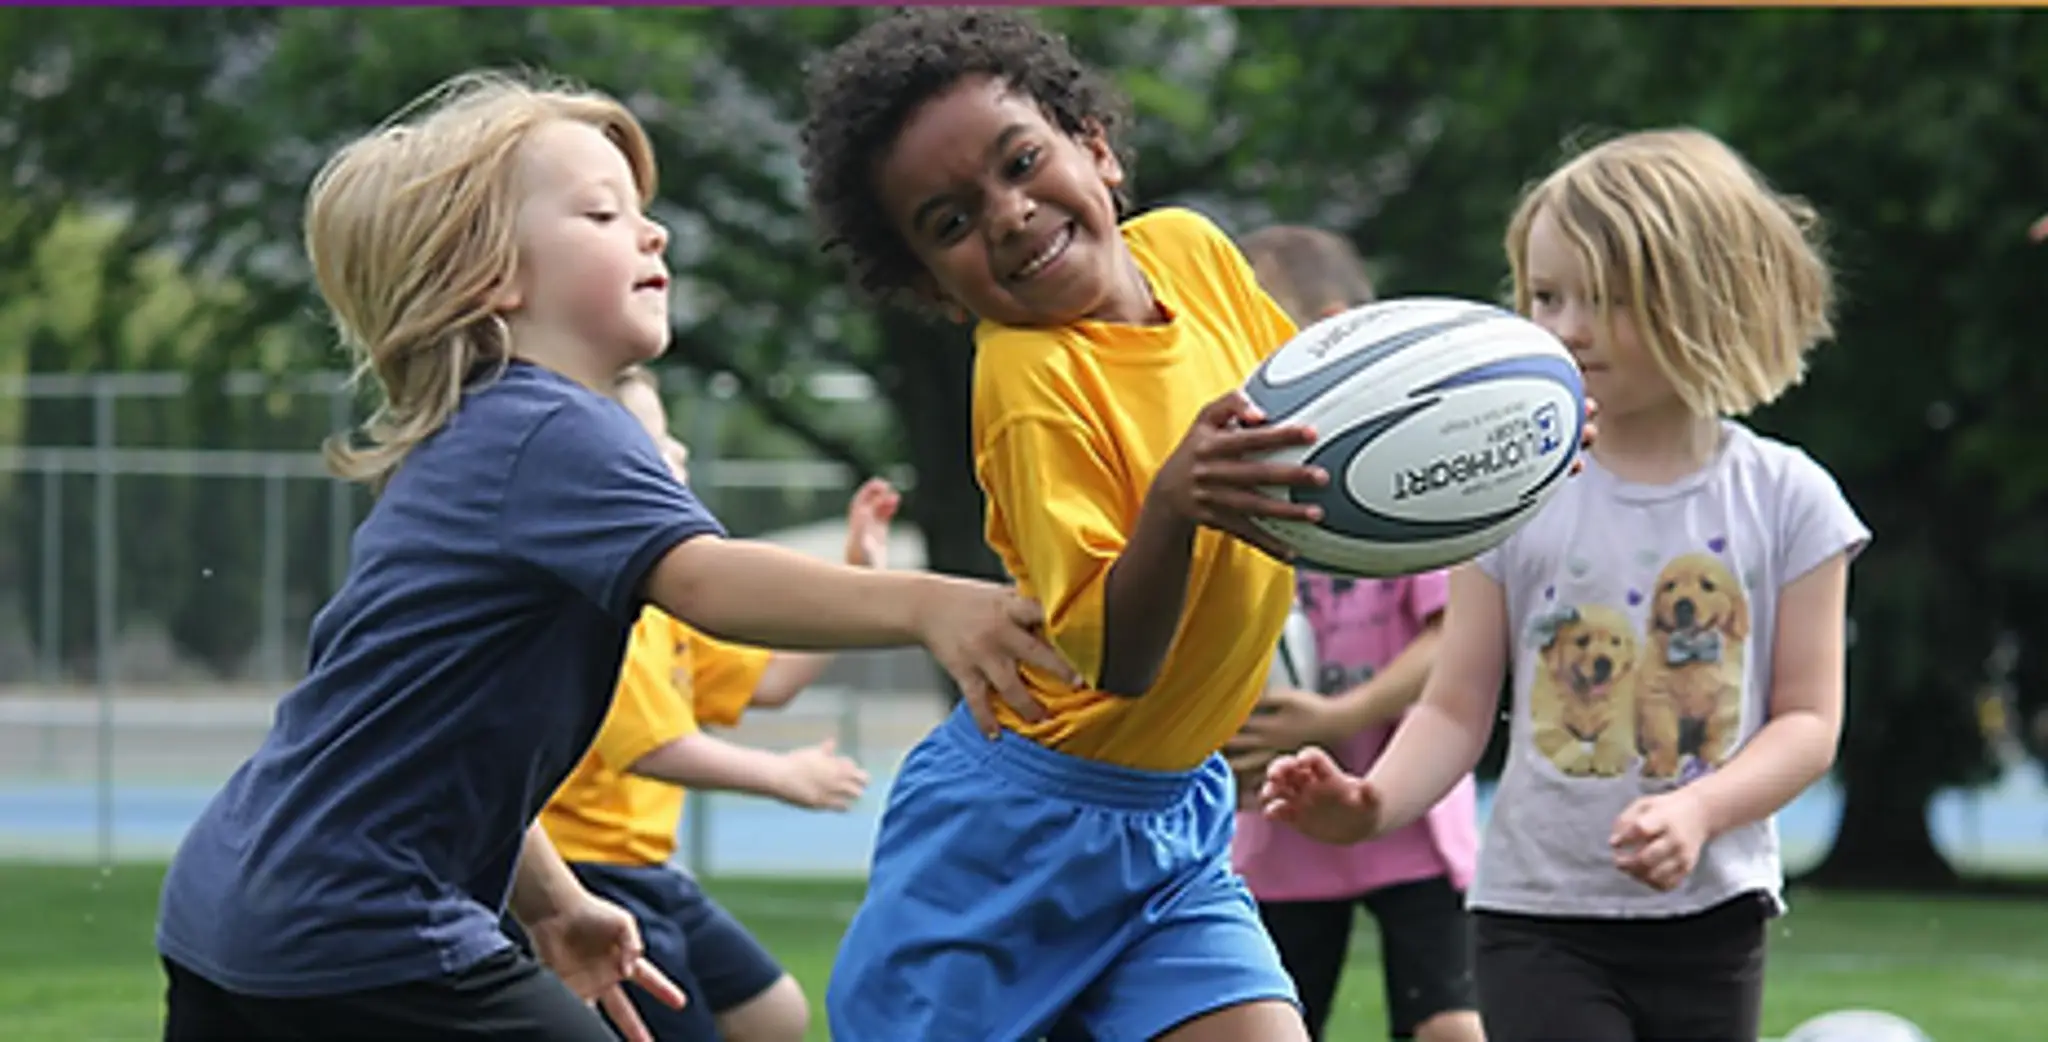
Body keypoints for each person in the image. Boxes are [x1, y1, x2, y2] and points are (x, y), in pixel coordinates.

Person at [153, 68, 1076, 1042]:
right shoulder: (553, 427)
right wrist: (930, 605)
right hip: (361, 923)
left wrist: (552, 903)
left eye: (642, 210)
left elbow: (428, 751)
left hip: (232, 904)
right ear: (491, 276)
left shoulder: (473, 439)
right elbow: (708, 579)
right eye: (603, 213)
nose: (654, 233)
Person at [1262, 127, 1870, 1042]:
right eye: (1547, 295)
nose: (1568, 327)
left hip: (1715, 917)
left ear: (1706, 300)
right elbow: (1454, 707)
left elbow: (1809, 723)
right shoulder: (1504, 498)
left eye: (1609, 300)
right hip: (1536, 922)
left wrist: (1700, 811)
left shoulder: (1791, 499)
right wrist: (1373, 802)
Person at [798, 9, 1337, 1041]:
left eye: (1021, 162)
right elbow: (1121, 660)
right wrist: (1172, 502)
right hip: (1015, 834)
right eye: (949, 222)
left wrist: (1504, 453)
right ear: (931, 287)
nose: (1006, 215)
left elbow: (1326, 444)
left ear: (1096, 147)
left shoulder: (1192, 252)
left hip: (1169, 820)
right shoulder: (1029, 377)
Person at [521, 363, 888, 1042]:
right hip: (589, 873)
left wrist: (858, 576)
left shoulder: (666, 609)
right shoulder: (602, 612)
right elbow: (652, 747)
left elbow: (772, 679)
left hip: (650, 869)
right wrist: (783, 775)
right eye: (658, 441)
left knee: (775, 1014)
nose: (680, 452)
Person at [1226, 225, 1484, 1042]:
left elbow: (1452, 638)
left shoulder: (1411, 475)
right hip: (1281, 828)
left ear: (1332, 331)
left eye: (1251, 325)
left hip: (1409, 815)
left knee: (1451, 1029)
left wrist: (1339, 715)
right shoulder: (1237, 480)